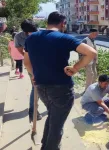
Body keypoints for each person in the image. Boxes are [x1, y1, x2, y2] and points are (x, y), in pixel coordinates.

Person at [24, 11, 96, 150]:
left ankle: (46, 144)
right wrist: (75, 68)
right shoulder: (64, 38)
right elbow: (91, 53)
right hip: (61, 89)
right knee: (57, 124)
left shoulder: (31, 38)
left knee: (53, 117)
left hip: (41, 87)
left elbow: (27, 63)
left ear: (47, 23)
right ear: (63, 23)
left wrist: (35, 74)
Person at [14, 19, 42, 121]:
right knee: (35, 87)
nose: (32, 33)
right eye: (30, 32)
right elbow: (20, 50)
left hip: (44, 63)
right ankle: (33, 111)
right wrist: (29, 57)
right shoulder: (18, 37)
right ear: (24, 31)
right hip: (31, 64)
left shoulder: (39, 33)